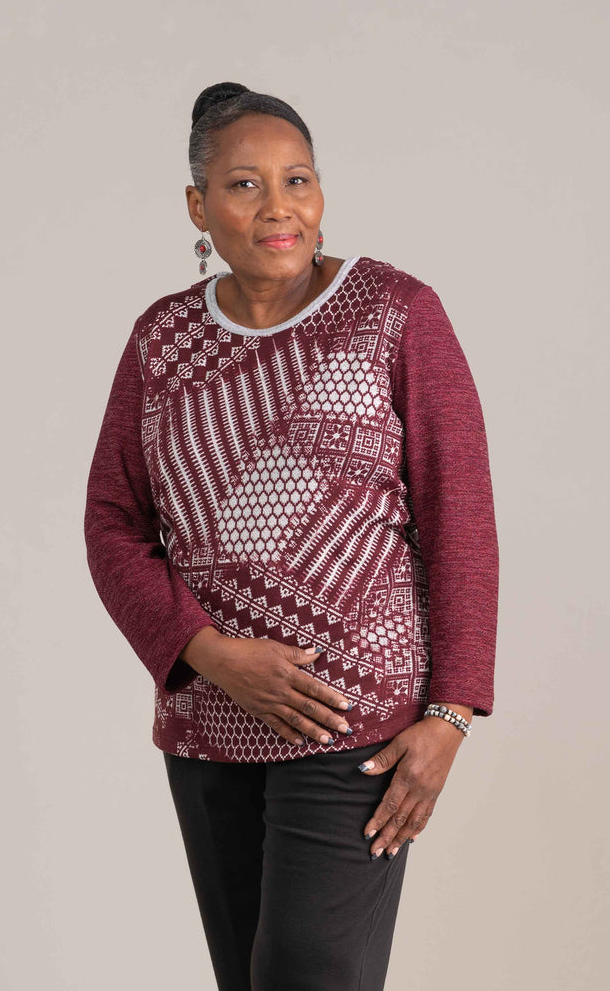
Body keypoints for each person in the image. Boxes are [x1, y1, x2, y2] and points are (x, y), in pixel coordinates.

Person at [83, 81, 499, 991]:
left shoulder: (394, 311)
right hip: (207, 722)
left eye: (297, 179)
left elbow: (461, 513)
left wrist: (452, 714)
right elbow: (112, 523)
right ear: (198, 206)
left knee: (306, 972)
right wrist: (209, 653)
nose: (279, 206)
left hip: (355, 721)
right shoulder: (162, 338)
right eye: (245, 184)